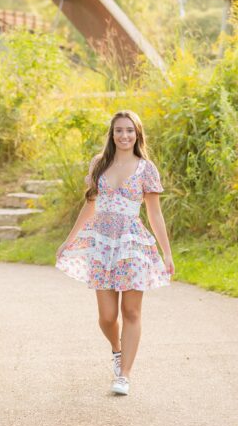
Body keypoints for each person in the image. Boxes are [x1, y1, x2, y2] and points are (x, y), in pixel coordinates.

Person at [54, 111, 173, 396]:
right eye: (119, 130)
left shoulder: (146, 169)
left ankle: (124, 375)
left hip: (132, 244)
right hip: (102, 243)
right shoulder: (100, 164)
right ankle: (117, 350)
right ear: (112, 134)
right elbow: (89, 205)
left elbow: (155, 215)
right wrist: (69, 240)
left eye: (129, 131)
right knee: (107, 317)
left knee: (130, 311)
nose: (124, 136)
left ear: (137, 134)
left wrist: (166, 253)